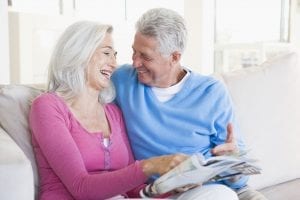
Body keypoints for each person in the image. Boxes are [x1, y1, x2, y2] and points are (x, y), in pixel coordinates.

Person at [111, 8, 267, 200]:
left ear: (174, 57)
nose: (135, 62)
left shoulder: (211, 92)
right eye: (134, 52)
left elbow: (238, 179)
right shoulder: (122, 80)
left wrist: (232, 160)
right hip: (151, 191)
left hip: (202, 190)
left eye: (146, 56)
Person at [29, 21, 189, 200]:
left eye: (115, 55)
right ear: (78, 54)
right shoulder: (48, 106)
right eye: (106, 53)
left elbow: (132, 187)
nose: (114, 64)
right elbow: (81, 188)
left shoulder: (113, 113)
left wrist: (172, 188)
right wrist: (150, 166)